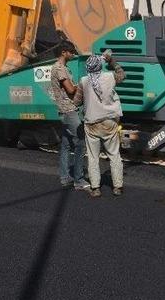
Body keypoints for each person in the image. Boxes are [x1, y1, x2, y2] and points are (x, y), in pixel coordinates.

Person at [73, 51, 126, 198]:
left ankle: (95, 188)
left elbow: (77, 102)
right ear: (99, 66)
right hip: (109, 121)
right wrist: (112, 61)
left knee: (93, 157)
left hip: (92, 123)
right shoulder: (110, 77)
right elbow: (122, 75)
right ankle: (117, 187)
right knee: (114, 154)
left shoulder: (83, 81)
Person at [48, 41, 88, 190]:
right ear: (64, 52)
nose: (73, 54)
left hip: (64, 110)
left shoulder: (62, 67)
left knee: (65, 145)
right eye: (71, 52)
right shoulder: (59, 68)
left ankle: (65, 177)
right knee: (81, 143)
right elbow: (70, 90)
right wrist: (84, 85)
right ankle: (78, 179)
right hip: (68, 110)